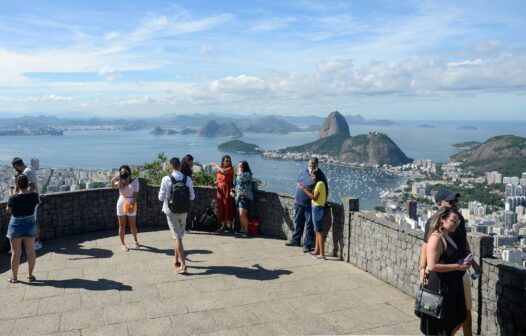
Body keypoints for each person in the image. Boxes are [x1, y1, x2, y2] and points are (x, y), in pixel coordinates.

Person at [418, 190, 483, 336]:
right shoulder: (434, 224)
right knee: (451, 314)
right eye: (451, 202)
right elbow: (425, 247)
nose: (455, 204)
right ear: (439, 204)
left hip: (459, 273)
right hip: (446, 276)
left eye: (456, 202)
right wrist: (422, 269)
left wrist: (473, 263)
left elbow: (463, 243)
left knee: (464, 311)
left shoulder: (458, 219)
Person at [420, 207, 469, 335]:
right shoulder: (436, 238)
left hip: (452, 285)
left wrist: (464, 263)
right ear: (442, 220)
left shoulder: (448, 235)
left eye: (457, 221)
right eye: (453, 220)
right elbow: (432, 266)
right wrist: (457, 266)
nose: (456, 224)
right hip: (441, 287)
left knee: (455, 319)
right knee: (440, 325)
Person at [158, 157, 195, 274]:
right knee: (178, 236)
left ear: (170, 166)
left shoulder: (166, 179)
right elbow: (192, 197)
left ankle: (183, 265)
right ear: (179, 165)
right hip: (183, 211)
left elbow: (161, 198)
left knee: (177, 237)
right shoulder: (187, 179)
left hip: (171, 211)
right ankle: (176, 260)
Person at [286, 157, 328, 253]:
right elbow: (299, 182)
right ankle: (296, 240)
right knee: (298, 222)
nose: (311, 165)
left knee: (309, 225)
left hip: (310, 204)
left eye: (313, 163)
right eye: (310, 163)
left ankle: (307, 245)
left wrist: (322, 204)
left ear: (317, 165)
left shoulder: (319, 175)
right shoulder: (304, 171)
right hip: (299, 202)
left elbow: (324, 190)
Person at [6, 174, 40, 283]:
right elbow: (33, 200)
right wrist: (30, 190)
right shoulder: (34, 196)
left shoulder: (13, 197)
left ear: (17, 184)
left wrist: (13, 193)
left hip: (16, 224)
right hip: (30, 222)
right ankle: (30, 276)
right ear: (27, 183)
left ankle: (14, 277)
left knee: (16, 253)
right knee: (30, 251)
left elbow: (9, 210)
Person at [12, 157, 42, 250]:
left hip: (31, 201)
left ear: (17, 165)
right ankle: (35, 241)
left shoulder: (27, 172)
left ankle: (37, 242)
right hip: (33, 200)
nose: (15, 169)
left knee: (33, 222)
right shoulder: (30, 168)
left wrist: (22, 195)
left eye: (15, 167)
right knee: (33, 221)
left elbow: (32, 186)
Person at [299, 168, 327, 260]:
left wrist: (304, 189)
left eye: (313, 176)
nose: (312, 178)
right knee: (316, 230)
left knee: (319, 231)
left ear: (317, 176)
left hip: (317, 208)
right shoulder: (321, 184)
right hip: (317, 207)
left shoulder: (319, 184)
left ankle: (322, 254)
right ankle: (316, 251)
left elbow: (314, 198)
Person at [111, 165, 140, 251]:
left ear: (129, 171)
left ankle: (135, 240)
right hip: (121, 203)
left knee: (133, 225)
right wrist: (114, 178)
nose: (123, 173)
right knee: (122, 225)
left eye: (125, 171)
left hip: (132, 202)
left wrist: (132, 205)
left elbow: (135, 194)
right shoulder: (120, 181)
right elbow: (113, 186)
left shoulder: (135, 180)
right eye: (122, 172)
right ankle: (123, 244)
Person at [211, 155, 234, 232]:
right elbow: (219, 180)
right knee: (221, 206)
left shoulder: (230, 169)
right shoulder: (220, 170)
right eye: (227, 160)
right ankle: (223, 225)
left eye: (229, 161)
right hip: (220, 190)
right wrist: (214, 183)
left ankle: (230, 226)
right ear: (223, 161)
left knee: (228, 205)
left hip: (227, 189)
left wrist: (215, 165)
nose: (228, 162)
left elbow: (224, 172)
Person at [234, 160, 253, 238]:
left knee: (242, 214)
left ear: (244, 167)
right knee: (240, 215)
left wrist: (239, 171)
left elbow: (241, 178)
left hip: (245, 197)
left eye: (241, 166)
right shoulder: (240, 174)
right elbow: (237, 184)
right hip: (238, 197)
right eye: (239, 166)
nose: (239, 167)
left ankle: (246, 230)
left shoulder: (247, 174)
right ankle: (242, 229)